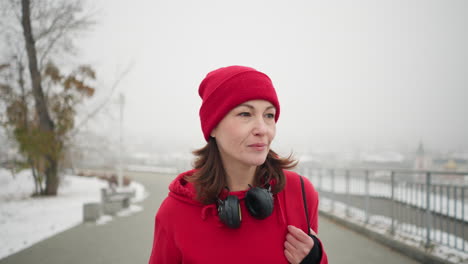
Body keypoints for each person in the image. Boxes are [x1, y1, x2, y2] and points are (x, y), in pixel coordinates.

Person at [148, 66, 328, 264]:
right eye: (245, 114)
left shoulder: (299, 192)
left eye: (269, 115)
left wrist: (316, 259)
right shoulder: (175, 212)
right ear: (213, 126)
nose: (262, 129)